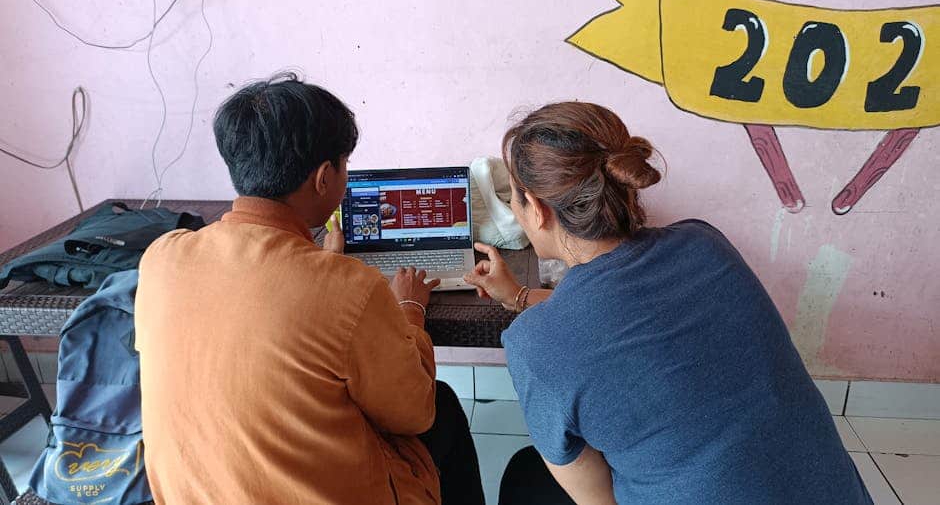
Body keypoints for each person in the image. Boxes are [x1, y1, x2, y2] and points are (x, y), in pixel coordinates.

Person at [464, 102, 873, 505]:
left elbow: (599, 501)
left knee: (524, 474)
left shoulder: (534, 344)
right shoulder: (704, 243)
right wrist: (519, 296)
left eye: (512, 197)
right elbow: (621, 316)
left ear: (535, 208)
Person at [134, 72, 484, 505]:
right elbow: (413, 412)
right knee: (441, 406)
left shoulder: (162, 258)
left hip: (198, 492)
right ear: (323, 178)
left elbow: (265, 307)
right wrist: (410, 307)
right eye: (344, 164)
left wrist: (323, 264)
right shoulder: (350, 288)